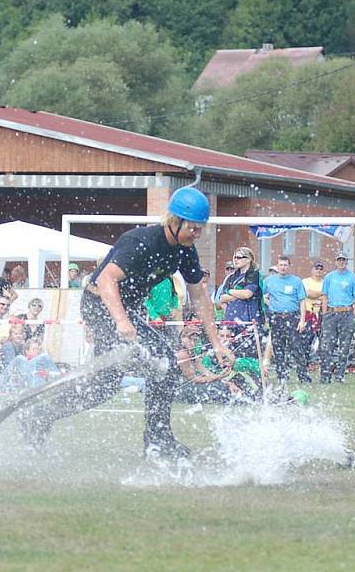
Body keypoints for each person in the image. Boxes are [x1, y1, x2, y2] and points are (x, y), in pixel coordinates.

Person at [21, 186, 234, 459]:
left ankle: (38, 417)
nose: (197, 234)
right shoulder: (141, 241)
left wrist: (216, 343)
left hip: (127, 310)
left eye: (200, 228)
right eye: (193, 228)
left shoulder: (185, 252)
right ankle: (157, 440)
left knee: (103, 387)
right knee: (164, 362)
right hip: (100, 304)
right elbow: (105, 279)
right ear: (174, 221)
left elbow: (199, 296)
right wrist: (122, 323)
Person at [262, 255, 310, 383]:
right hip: (276, 317)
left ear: (289, 266)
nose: (283, 267)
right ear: (277, 266)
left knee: (296, 347)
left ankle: (303, 376)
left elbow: (302, 301)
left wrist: (302, 320)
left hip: (292, 317)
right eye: (281, 265)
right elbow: (260, 295)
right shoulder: (269, 281)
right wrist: (268, 304)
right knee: (278, 348)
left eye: (285, 265)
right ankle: (282, 376)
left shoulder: (296, 281)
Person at [319, 252, 355, 383]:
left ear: (346, 262)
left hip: (346, 313)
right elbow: (324, 296)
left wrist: (353, 315)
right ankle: (325, 375)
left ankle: (340, 375)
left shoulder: (353, 277)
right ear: (335, 261)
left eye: (343, 260)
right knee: (326, 346)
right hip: (331, 313)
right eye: (339, 260)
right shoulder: (329, 277)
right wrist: (325, 313)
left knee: (345, 346)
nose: (341, 262)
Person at [218, 246, 262, 331]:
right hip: (231, 320)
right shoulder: (231, 277)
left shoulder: (254, 275)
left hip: (248, 321)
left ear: (249, 259)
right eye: (234, 257)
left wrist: (230, 291)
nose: (235, 260)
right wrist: (238, 294)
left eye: (239, 257)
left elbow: (247, 294)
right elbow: (222, 298)